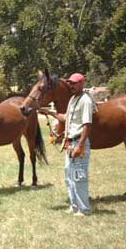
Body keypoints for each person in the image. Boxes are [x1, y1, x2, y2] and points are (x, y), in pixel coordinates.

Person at [40, 73, 94, 216]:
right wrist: (50, 112)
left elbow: (87, 125)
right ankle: (74, 206)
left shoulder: (85, 101)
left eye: (74, 83)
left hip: (78, 142)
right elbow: (65, 117)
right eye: (70, 83)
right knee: (69, 175)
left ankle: (84, 209)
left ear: (82, 84)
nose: (71, 85)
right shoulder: (72, 99)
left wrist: (80, 145)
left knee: (79, 176)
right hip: (70, 142)